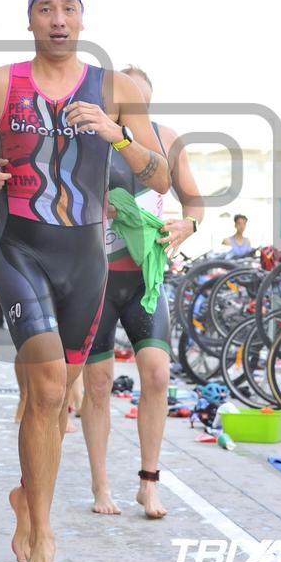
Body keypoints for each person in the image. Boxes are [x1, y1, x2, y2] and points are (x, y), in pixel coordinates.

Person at [0, 0, 170, 562]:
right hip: (20, 248)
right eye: (45, 9)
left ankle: (26, 497)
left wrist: (117, 134)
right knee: (46, 392)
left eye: (69, 8)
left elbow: (159, 177)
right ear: (31, 22)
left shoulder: (116, 90)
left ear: (82, 20)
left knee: (57, 394)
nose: (58, 19)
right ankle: (42, 529)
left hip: (85, 260)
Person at [81, 65, 203, 519]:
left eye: (139, 99)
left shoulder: (167, 140)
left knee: (156, 375)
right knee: (98, 384)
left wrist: (188, 225)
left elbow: (194, 201)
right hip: (95, 280)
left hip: (145, 280)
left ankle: (148, 483)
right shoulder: (90, 140)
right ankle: (101, 485)